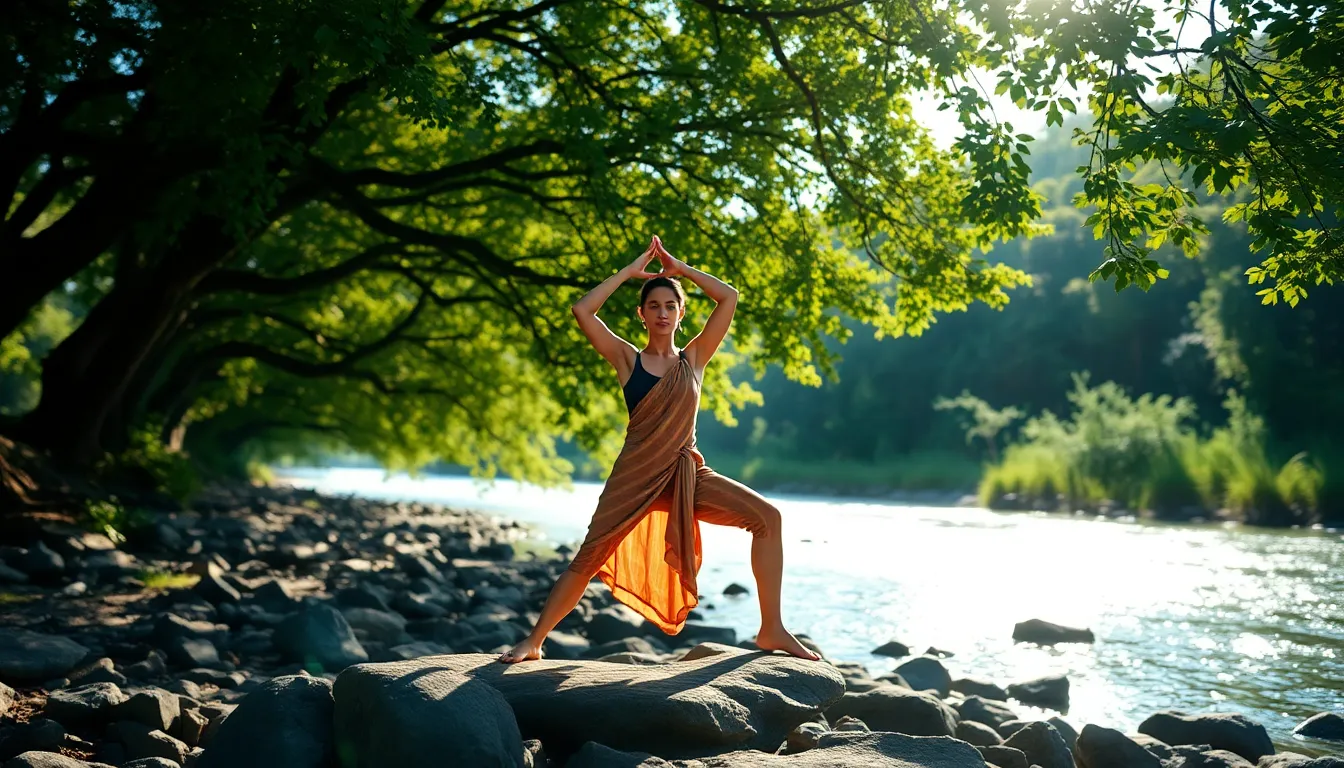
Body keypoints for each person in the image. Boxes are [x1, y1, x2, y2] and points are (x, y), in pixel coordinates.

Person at [498, 235, 819, 663]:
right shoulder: (627, 360)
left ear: (681, 313)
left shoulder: (696, 359)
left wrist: (681, 268)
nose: (662, 313)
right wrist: (630, 273)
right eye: (654, 306)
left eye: (671, 306)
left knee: (768, 518)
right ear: (642, 314)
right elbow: (582, 310)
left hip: (686, 477)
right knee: (590, 555)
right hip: (635, 477)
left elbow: (729, 297)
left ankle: (771, 629)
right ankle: (535, 640)